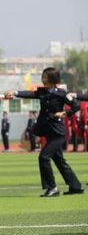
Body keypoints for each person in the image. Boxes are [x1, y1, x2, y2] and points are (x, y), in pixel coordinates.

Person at [5, 67, 84, 197]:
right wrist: (15, 93)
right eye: (43, 76)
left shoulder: (61, 93)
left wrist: (65, 113)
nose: (43, 79)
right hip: (48, 131)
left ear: (53, 79)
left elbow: (76, 105)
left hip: (58, 133)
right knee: (59, 160)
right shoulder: (42, 92)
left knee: (44, 157)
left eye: (46, 77)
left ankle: (52, 188)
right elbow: (30, 94)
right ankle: (76, 186)